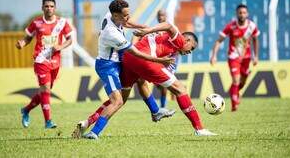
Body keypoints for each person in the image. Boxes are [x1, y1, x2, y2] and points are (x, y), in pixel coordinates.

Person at [82, 22, 217, 138]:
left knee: (119, 99)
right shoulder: (180, 40)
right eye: (191, 48)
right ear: (187, 40)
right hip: (144, 59)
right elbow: (169, 25)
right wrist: (148, 30)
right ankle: (199, 129)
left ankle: (91, 126)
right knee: (180, 89)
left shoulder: (168, 44)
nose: (190, 52)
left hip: (129, 58)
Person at [79, 0, 174, 139]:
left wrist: (145, 27)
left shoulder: (110, 15)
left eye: (128, 13)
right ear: (116, 15)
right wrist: (159, 61)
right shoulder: (111, 33)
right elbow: (135, 52)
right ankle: (93, 132)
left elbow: (127, 23)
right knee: (117, 101)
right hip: (108, 67)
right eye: (125, 15)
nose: (128, 17)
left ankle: (155, 111)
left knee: (140, 77)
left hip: (119, 61)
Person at [16, 0, 73, 128]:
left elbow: (70, 39)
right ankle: (48, 121)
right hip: (41, 60)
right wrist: (22, 43)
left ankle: (26, 110)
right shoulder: (36, 23)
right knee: (46, 89)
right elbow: (28, 38)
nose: (49, 8)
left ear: (55, 8)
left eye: (51, 6)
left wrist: (61, 46)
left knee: (44, 91)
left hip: (55, 61)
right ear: (42, 8)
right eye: (46, 6)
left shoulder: (62, 22)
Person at [210, 4, 260, 111]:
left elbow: (255, 40)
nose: (242, 15)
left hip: (246, 58)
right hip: (233, 57)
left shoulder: (252, 26)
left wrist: (256, 56)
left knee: (243, 81)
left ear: (247, 14)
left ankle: (235, 92)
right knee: (236, 81)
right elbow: (219, 41)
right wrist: (214, 56)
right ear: (237, 14)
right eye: (240, 13)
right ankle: (234, 105)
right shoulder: (231, 26)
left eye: (244, 12)